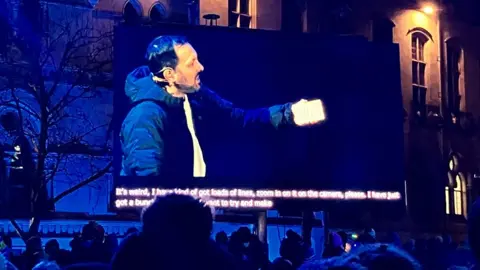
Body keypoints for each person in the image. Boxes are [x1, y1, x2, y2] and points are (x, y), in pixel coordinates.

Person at [120, 35, 326, 179]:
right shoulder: (145, 116)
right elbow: (148, 186)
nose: (201, 67)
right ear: (169, 75)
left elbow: (239, 118)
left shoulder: (197, 96)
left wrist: (290, 113)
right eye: (192, 63)